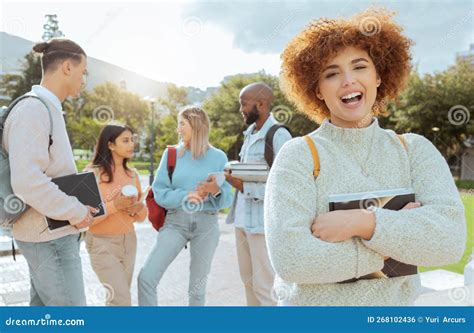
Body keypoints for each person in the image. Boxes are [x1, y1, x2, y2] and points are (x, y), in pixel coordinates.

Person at [264, 8, 467, 306]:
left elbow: (448, 243)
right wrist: (394, 244)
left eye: (359, 67)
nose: (348, 81)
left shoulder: (414, 150)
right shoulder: (298, 156)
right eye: (332, 73)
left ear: (378, 76)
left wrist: (362, 223)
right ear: (317, 90)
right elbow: (293, 261)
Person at [2, 38, 96, 306]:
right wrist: (76, 210)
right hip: (49, 237)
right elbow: (27, 181)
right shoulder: (33, 109)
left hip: (51, 232)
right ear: (68, 67)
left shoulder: (46, 108)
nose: (84, 78)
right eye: (83, 71)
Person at [138, 107, 233, 306]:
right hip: (175, 223)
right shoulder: (171, 154)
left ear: (196, 125)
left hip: (206, 225)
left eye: (182, 123)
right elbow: (160, 192)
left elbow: (226, 200)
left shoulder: (218, 157)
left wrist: (215, 190)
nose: (178, 128)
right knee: (146, 278)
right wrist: (187, 195)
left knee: (196, 291)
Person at [224, 82, 292, 306]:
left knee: (266, 288)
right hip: (242, 223)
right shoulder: (249, 134)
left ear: (261, 104)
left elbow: (286, 187)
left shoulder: (279, 136)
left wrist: (242, 185)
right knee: (248, 283)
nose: (241, 109)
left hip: (263, 226)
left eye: (244, 104)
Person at [84, 124, 147, 306]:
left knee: (117, 299)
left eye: (132, 140)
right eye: (125, 140)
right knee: (122, 300)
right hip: (102, 244)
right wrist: (115, 205)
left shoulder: (132, 175)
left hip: (129, 242)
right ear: (110, 145)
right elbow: (88, 219)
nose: (131, 144)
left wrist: (137, 209)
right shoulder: (93, 173)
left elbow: (142, 216)